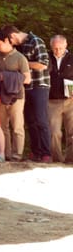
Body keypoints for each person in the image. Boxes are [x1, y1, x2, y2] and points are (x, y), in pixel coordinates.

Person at [4, 26, 52, 161]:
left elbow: (43, 64)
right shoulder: (20, 46)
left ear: (13, 35)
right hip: (25, 86)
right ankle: (35, 151)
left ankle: (46, 153)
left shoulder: (36, 41)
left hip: (39, 85)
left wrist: (23, 63)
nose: (12, 44)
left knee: (41, 119)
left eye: (11, 41)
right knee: (30, 121)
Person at [0, 30, 31, 161]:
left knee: (17, 126)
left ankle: (17, 154)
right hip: (0, 95)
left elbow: (27, 79)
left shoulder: (20, 58)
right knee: (2, 126)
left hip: (17, 96)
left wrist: (6, 77)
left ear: (7, 41)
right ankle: (4, 153)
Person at [49, 35, 73, 163]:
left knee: (72, 132)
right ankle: (56, 159)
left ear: (66, 45)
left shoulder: (72, 58)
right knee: (54, 132)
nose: (57, 51)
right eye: (55, 48)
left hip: (71, 100)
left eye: (60, 48)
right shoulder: (46, 57)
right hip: (52, 100)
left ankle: (71, 158)